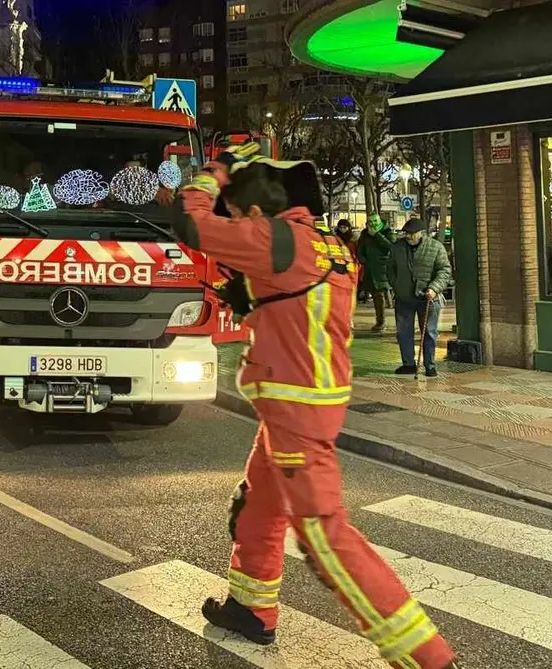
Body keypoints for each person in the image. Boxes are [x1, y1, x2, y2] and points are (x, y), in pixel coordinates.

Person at [170, 145, 459, 669]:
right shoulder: (329, 245)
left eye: (238, 218)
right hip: (310, 398)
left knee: (326, 536)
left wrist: (214, 174)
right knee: (258, 501)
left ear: (256, 215)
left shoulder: (273, 240)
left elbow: (189, 223)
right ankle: (251, 607)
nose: (235, 228)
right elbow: (297, 307)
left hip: (294, 408)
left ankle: (428, 657)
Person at [388, 218, 452, 377]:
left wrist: (434, 288)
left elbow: (444, 270)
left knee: (429, 332)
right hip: (404, 298)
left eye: (412, 234)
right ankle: (408, 364)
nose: (408, 236)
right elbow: (390, 269)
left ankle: (429, 364)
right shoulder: (397, 248)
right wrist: (397, 285)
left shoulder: (436, 247)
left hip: (428, 298)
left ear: (422, 233)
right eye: (406, 233)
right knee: (404, 332)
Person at [357, 213, 396, 332]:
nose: (372, 224)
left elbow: (391, 246)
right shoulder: (365, 233)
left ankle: (382, 321)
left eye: (375, 221)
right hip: (370, 268)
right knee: (376, 295)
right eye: (370, 222)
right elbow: (360, 247)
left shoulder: (388, 232)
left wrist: (377, 235)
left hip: (383, 268)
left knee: (381, 294)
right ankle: (380, 321)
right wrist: (362, 259)